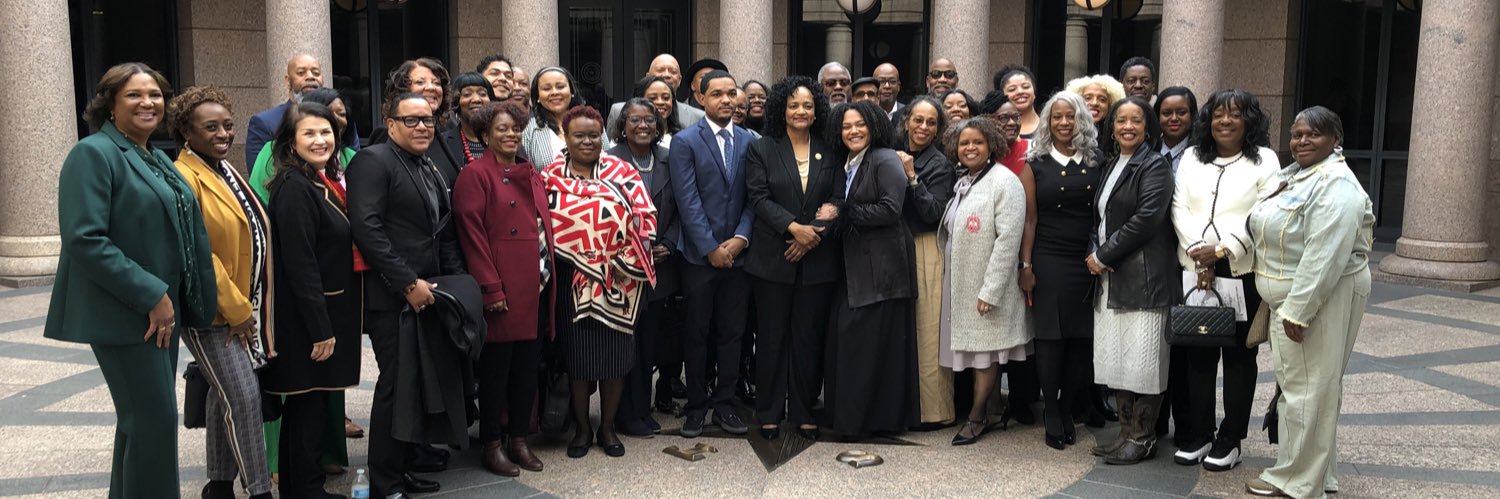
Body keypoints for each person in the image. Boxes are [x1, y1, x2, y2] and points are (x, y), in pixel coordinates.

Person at [46, 62, 217, 499]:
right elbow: (84, 239)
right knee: (153, 422)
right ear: (109, 104)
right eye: (134, 95)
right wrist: (152, 292)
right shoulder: (93, 154)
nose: (148, 102)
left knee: (139, 422)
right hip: (127, 313)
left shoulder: (153, 155)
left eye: (155, 94)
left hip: (160, 313)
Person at [1245, 106, 1374, 499]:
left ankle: (1297, 480)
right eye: (1297, 134)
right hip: (1298, 297)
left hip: (1317, 300)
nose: (1301, 141)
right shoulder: (1297, 175)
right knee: (1313, 388)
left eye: (1313, 135)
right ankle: (1320, 475)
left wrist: (1299, 310)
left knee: (1306, 390)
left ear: (1336, 140)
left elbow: (1325, 254)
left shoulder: (1336, 184)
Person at [348, 92, 469, 498]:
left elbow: (440, 226)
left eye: (429, 120)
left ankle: (402, 469)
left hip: (430, 290)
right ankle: (384, 482)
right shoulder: (372, 160)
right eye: (412, 120)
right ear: (391, 121)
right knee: (394, 389)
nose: (422, 127)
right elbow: (368, 229)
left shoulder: (426, 162)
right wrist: (407, 283)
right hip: (394, 297)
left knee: (414, 385)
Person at [164, 85, 275, 499]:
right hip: (216, 312)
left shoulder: (222, 169)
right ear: (185, 132)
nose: (223, 133)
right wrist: (239, 311)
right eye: (210, 127)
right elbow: (200, 251)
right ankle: (260, 490)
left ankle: (218, 485)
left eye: (227, 125)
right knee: (244, 398)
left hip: (240, 306)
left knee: (221, 393)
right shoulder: (184, 175)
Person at [1170, 88, 1279, 473]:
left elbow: (1266, 210)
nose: (1225, 121)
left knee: (1237, 356)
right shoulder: (1191, 158)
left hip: (1240, 267)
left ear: (1249, 120)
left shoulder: (1264, 160)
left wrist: (1223, 249)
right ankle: (1199, 434)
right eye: (1218, 114)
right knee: (1197, 352)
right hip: (1194, 266)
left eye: (1235, 114)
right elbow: (1178, 205)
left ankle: (1230, 438)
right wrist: (1198, 248)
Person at [261, 102, 364, 498]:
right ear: (290, 141)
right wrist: (320, 329)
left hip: (324, 311)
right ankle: (305, 490)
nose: (320, 140)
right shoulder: (294, 188)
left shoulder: (317, 181)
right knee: (306, 406)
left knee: (309, 406)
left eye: (326, 132)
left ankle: (299, 487)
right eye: (309, 133)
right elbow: (300, 264)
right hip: (309, 320)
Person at [543, 106, 658, 458]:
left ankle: (607, 428)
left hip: (619, 280)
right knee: (579, 360)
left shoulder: (622, 171)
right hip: (570, 281)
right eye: (579, 135)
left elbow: (645, 217)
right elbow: (542, 224)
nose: (588, 141)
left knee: (615, 360)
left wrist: (622, 256)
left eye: (594, 135)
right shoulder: (549, 176)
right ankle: (582, 429)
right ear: (566, 137)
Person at [452, 100, 552, 475]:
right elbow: (472, 237)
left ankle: (519, 440)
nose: (510, 135)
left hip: (535, 286)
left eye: (515, 129)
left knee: (527, 370)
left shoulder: (529, 170)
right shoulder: (474, 175)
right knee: (497, 372)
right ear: (484, 135)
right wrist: (491, 289)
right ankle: (492, 443)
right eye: (501, 129)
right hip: (503, 289)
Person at [742, 76, 841, 441]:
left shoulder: (831, 152)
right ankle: (768, 411)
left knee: (807, 339)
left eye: (808, 105)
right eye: (794, 105)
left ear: (817, 111)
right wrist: (793, 229)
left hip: (817, 263)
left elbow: (836, 201)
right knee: (770, 338)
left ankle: (802, 410)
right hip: (772, 259)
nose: (801, 111)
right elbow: (758, 197)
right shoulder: (762, 149)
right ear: (781, 109)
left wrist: (810, 234)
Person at [1086, 97, 1178, 465]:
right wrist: (1094, 249)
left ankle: (1142, 438)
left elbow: (1146, 220)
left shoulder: (1154, 165)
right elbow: (1100, 217)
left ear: (1148, 127)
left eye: (1135, 121)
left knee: (1143, 361)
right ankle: (1125, 433)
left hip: (1144, 279)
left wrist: (1102, 255)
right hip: (1112, 278)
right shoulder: (1113, 164)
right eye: (1120, 120)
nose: (1127, 126)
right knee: (1117, 359)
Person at [823, 101, 920, 438]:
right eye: (847, 126)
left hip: (882, 270)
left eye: (860, 124)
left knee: (872, 348)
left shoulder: (885, 158)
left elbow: (891, 210)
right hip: (856, 269)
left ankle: (870, 422)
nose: (853, 131)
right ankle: (849, 418)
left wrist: (842, 212)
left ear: (875, 126)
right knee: (854, 346)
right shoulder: (848, 163)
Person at [669, 69, 753, 438]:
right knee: (697, 333)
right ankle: (696, 406)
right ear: (701, 99)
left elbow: (755, 197)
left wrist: (740, 239)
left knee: (733, 334)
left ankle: (724, 404)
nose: (725, 100)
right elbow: (687, 201)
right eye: (716, 93)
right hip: (699, 259)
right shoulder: (685, 141)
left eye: (731, 93)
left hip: (740, 256)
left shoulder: (751, 140)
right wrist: (710, 248)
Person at [938, 117, 1029, 446]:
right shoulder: (967, 180)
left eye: (977, 142)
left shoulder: (1005, 182)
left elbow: (1008, 241)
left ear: (991, 145)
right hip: (963, 283)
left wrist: (991, 291)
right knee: (979, 352)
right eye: (964, 143)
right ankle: (993, 409)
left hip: (988, 289)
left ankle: (976, 419)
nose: (970, 148)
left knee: (985, 355)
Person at [1024, 91, 1101, 450]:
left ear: (1081, 119)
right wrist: (1026, 265)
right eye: (1057, 117)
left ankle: (1068, 406)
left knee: (1081, 340)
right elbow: (1029, 220)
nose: (1064, 123)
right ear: (1047, 121)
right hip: (1049, 258)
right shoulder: (1034, 163)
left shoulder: (1097, 161)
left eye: (1071, 116)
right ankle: (1051, 410)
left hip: (1086, 260)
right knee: (1050, 338)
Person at [605, 98, 680, 438]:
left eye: (649, 120)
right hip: (622, 271)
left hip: (659, 269)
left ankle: (643, 407)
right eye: (634, 120)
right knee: (626, 345)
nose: (643, 125)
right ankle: (625, 414)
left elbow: (680, 206)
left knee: (650, 342)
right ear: (622, 126)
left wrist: (669, 242)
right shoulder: (608, 162)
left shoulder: (668, 159)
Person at [893, 95, 955, 429]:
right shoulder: (892, 151)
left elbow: (934, 213)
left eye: (931, 122)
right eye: (918, 120)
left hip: (925, 246)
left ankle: (934, 411)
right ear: (906, 121)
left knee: (928, 332)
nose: (923, 127)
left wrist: (912, 178)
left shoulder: (939, 164)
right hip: (897, 248)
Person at [981, 91, 1042, 428]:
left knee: (1017, 327)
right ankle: (988, 400)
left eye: (1014, 117)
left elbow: (1030, 219)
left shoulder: (1025, 157)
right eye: (1001, 117)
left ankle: (1021, 400)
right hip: (980, 256)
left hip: (1016, 255)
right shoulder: (975, 152)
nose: (1010, 122)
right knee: (987, 327)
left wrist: (1025, 265)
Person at [246, 53, 359, 169]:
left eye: (316, 73)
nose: (310, 77)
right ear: (287, 81)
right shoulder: (264, 122)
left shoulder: (341, 121)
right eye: (301, 73)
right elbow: (258, 175)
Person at [250, 88, 360, 202]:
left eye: (341, 114)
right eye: (328, 113)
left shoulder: (351, 157)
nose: (336, 119)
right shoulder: (289, 178)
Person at [608, 54, 707, 133]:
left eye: (673, 71)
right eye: (660, 70)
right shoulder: (618, 112)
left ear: (679, 80)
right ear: (648, 76)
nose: (667, 75)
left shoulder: (698, 117)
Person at [521, 66, 586, 170]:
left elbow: (608, 161)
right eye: (546, 89)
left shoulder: (591, 122)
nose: (554, 92)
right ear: (537, 96)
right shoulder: (528, 130)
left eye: (560, 86)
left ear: (572, 91)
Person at [443, 72, 499, 168]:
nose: (476, 99)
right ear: (456, 102)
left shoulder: (505, 138)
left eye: (482, 94)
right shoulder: (443, 143)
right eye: (467, 94)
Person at [1155, 86, 1198, 173]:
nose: (1174, 118)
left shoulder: (1202, 154)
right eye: (1167, 113)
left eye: (1181, 113)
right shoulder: (1148, 151)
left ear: (1192, 115)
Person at [994, 65, 1041, 139]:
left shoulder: (1049, 126)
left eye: (1025, 87)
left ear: (1034, 93)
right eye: (1012, 89)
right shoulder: (995, 130)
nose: (1020, 91)